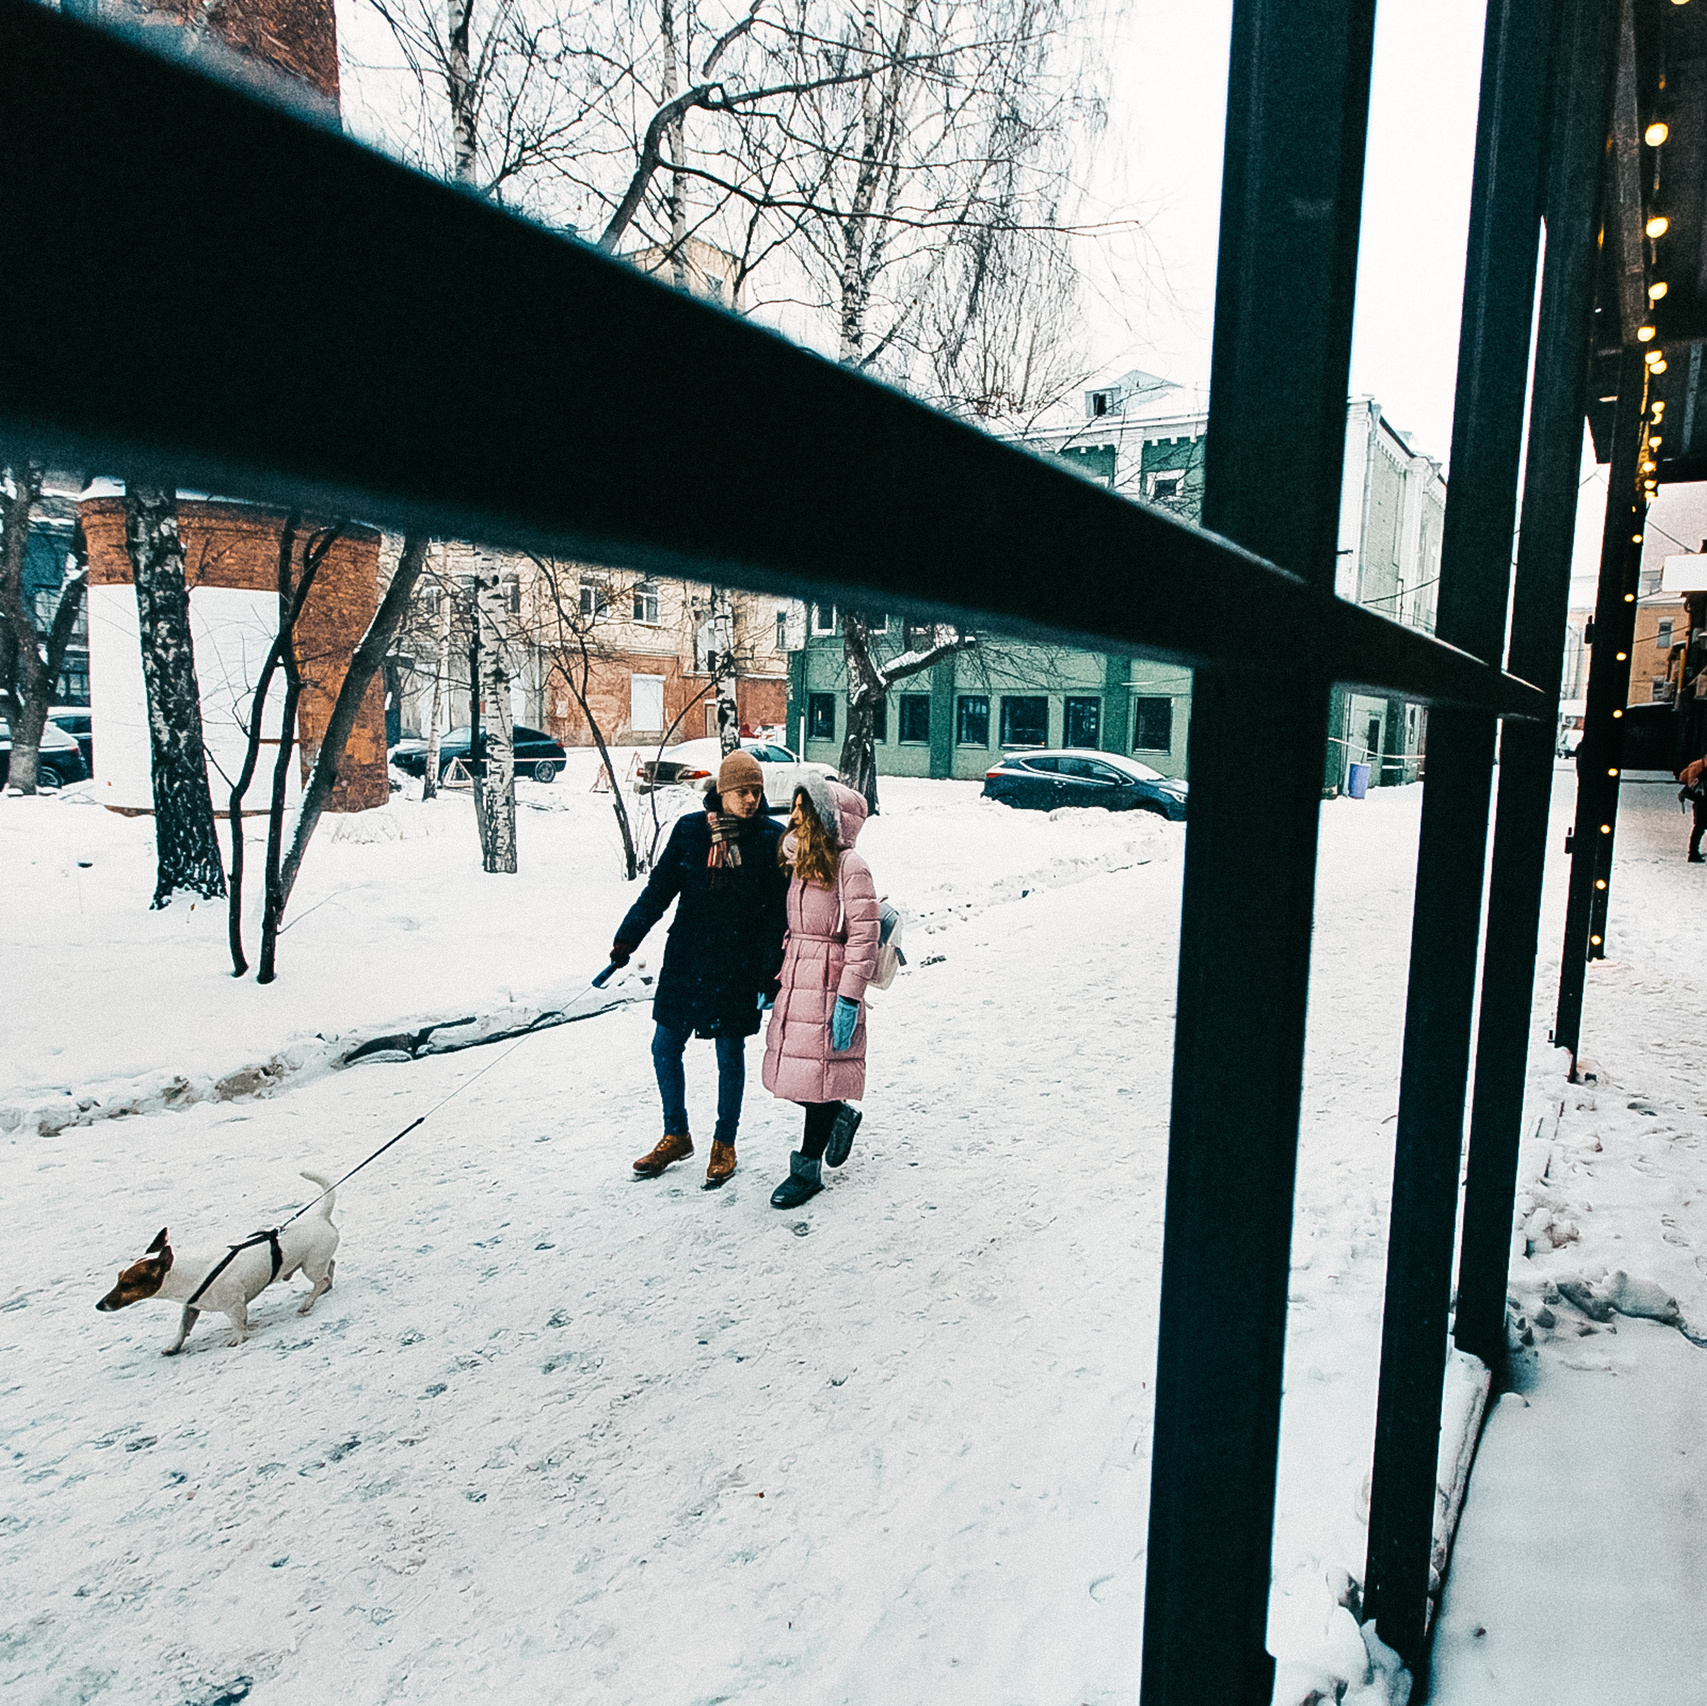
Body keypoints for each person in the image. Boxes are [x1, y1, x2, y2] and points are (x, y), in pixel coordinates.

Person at [614, 749, 786, 1187]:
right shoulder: (691, 830)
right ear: (722, 792)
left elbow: (778, 917)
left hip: (737, 965)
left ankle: (724, 1143)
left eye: (757, 791)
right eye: (742, 791)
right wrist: (627, 938)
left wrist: (770, 972)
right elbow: (659, 890)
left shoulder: (771, 839)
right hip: (687, 959)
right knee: (664, 1047)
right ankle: (677, 1134)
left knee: (729, 1055)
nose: (751, 799)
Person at [762, 775, 881, 1208]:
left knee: (820, 1078)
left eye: (803, 809)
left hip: (831, 983)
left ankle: (806, 1171)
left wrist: (849, 997)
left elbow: (864, 937)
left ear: (826, 821)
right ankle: (841, 1115)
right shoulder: (800, 863)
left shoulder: (851, 866)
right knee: (791, 1075)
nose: (793, 818)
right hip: (797, 978)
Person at [1682, 751, 1707, 863]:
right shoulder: (1703, 770)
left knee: (1699, 827)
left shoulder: (1700, 767)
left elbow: (1683, 777)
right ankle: (1693, 853)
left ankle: (1693, 853)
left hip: (1699, 801)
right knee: (1700, 827)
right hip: (1703, 801)